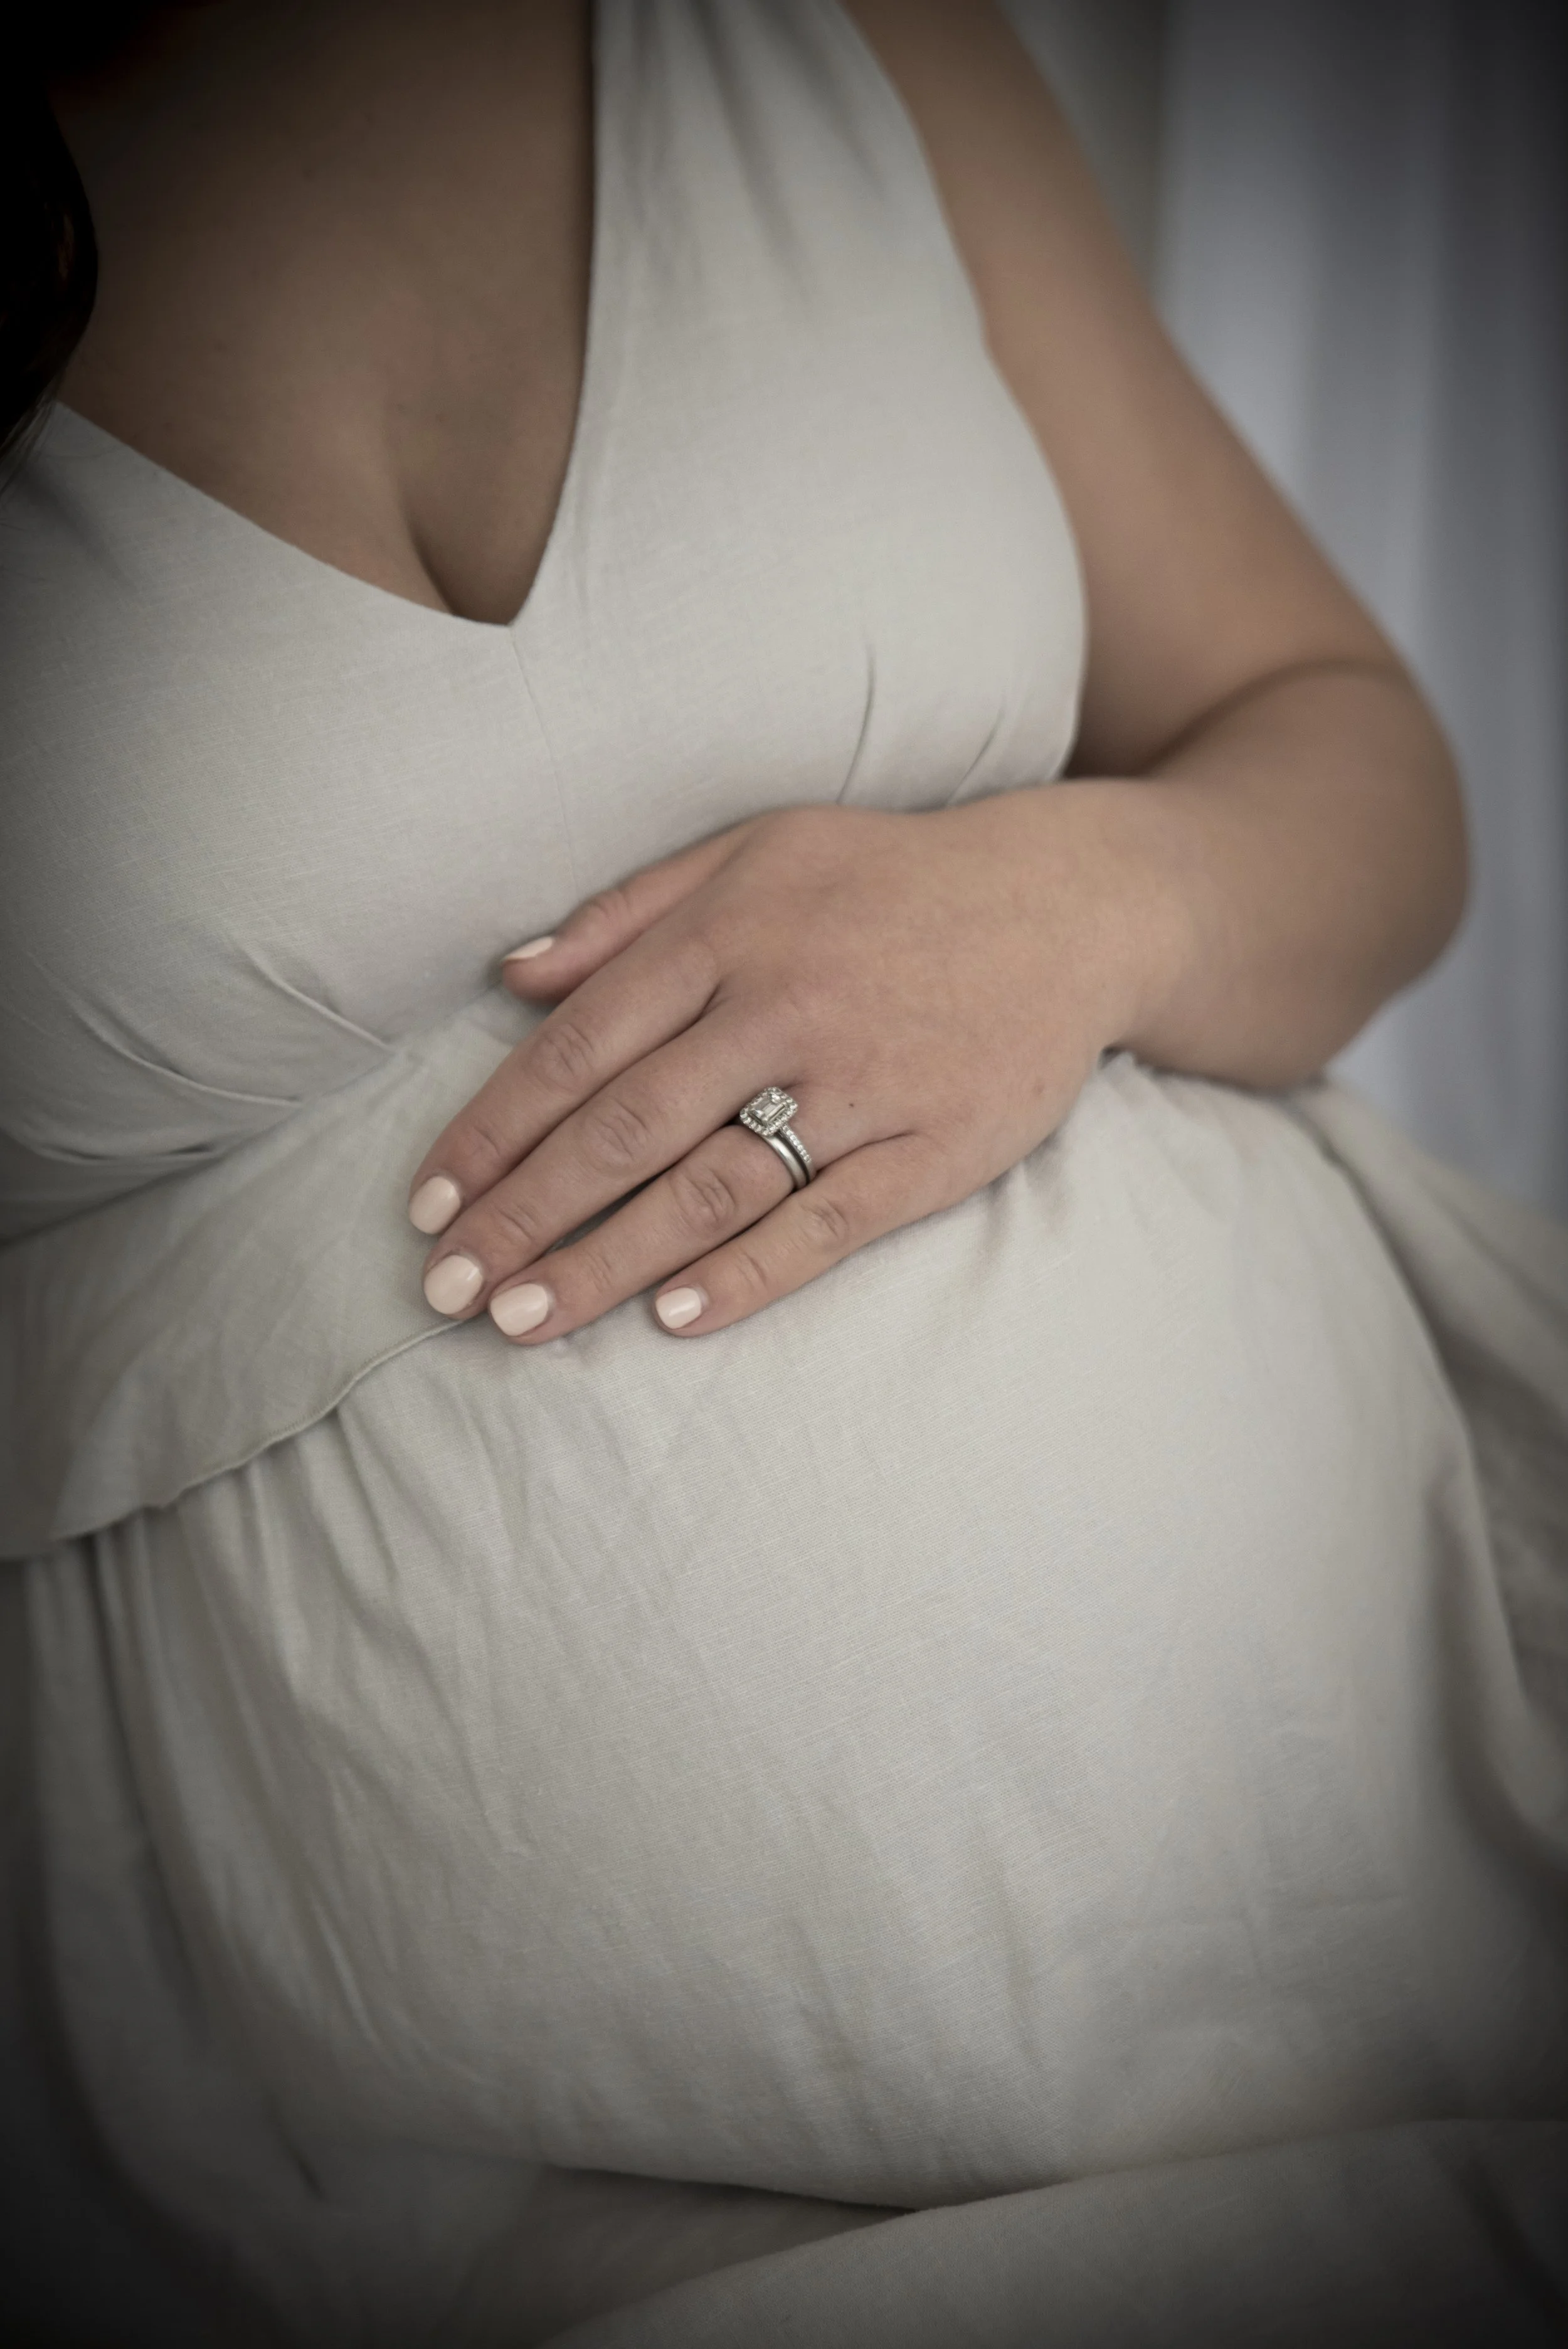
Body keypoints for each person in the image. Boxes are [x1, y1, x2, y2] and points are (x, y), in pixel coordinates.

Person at [2, 3, 1565, 2342]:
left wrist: (1089, 903)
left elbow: (1357, 758)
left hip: (1456, 1884)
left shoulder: (836, 28)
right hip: (459, 2206)